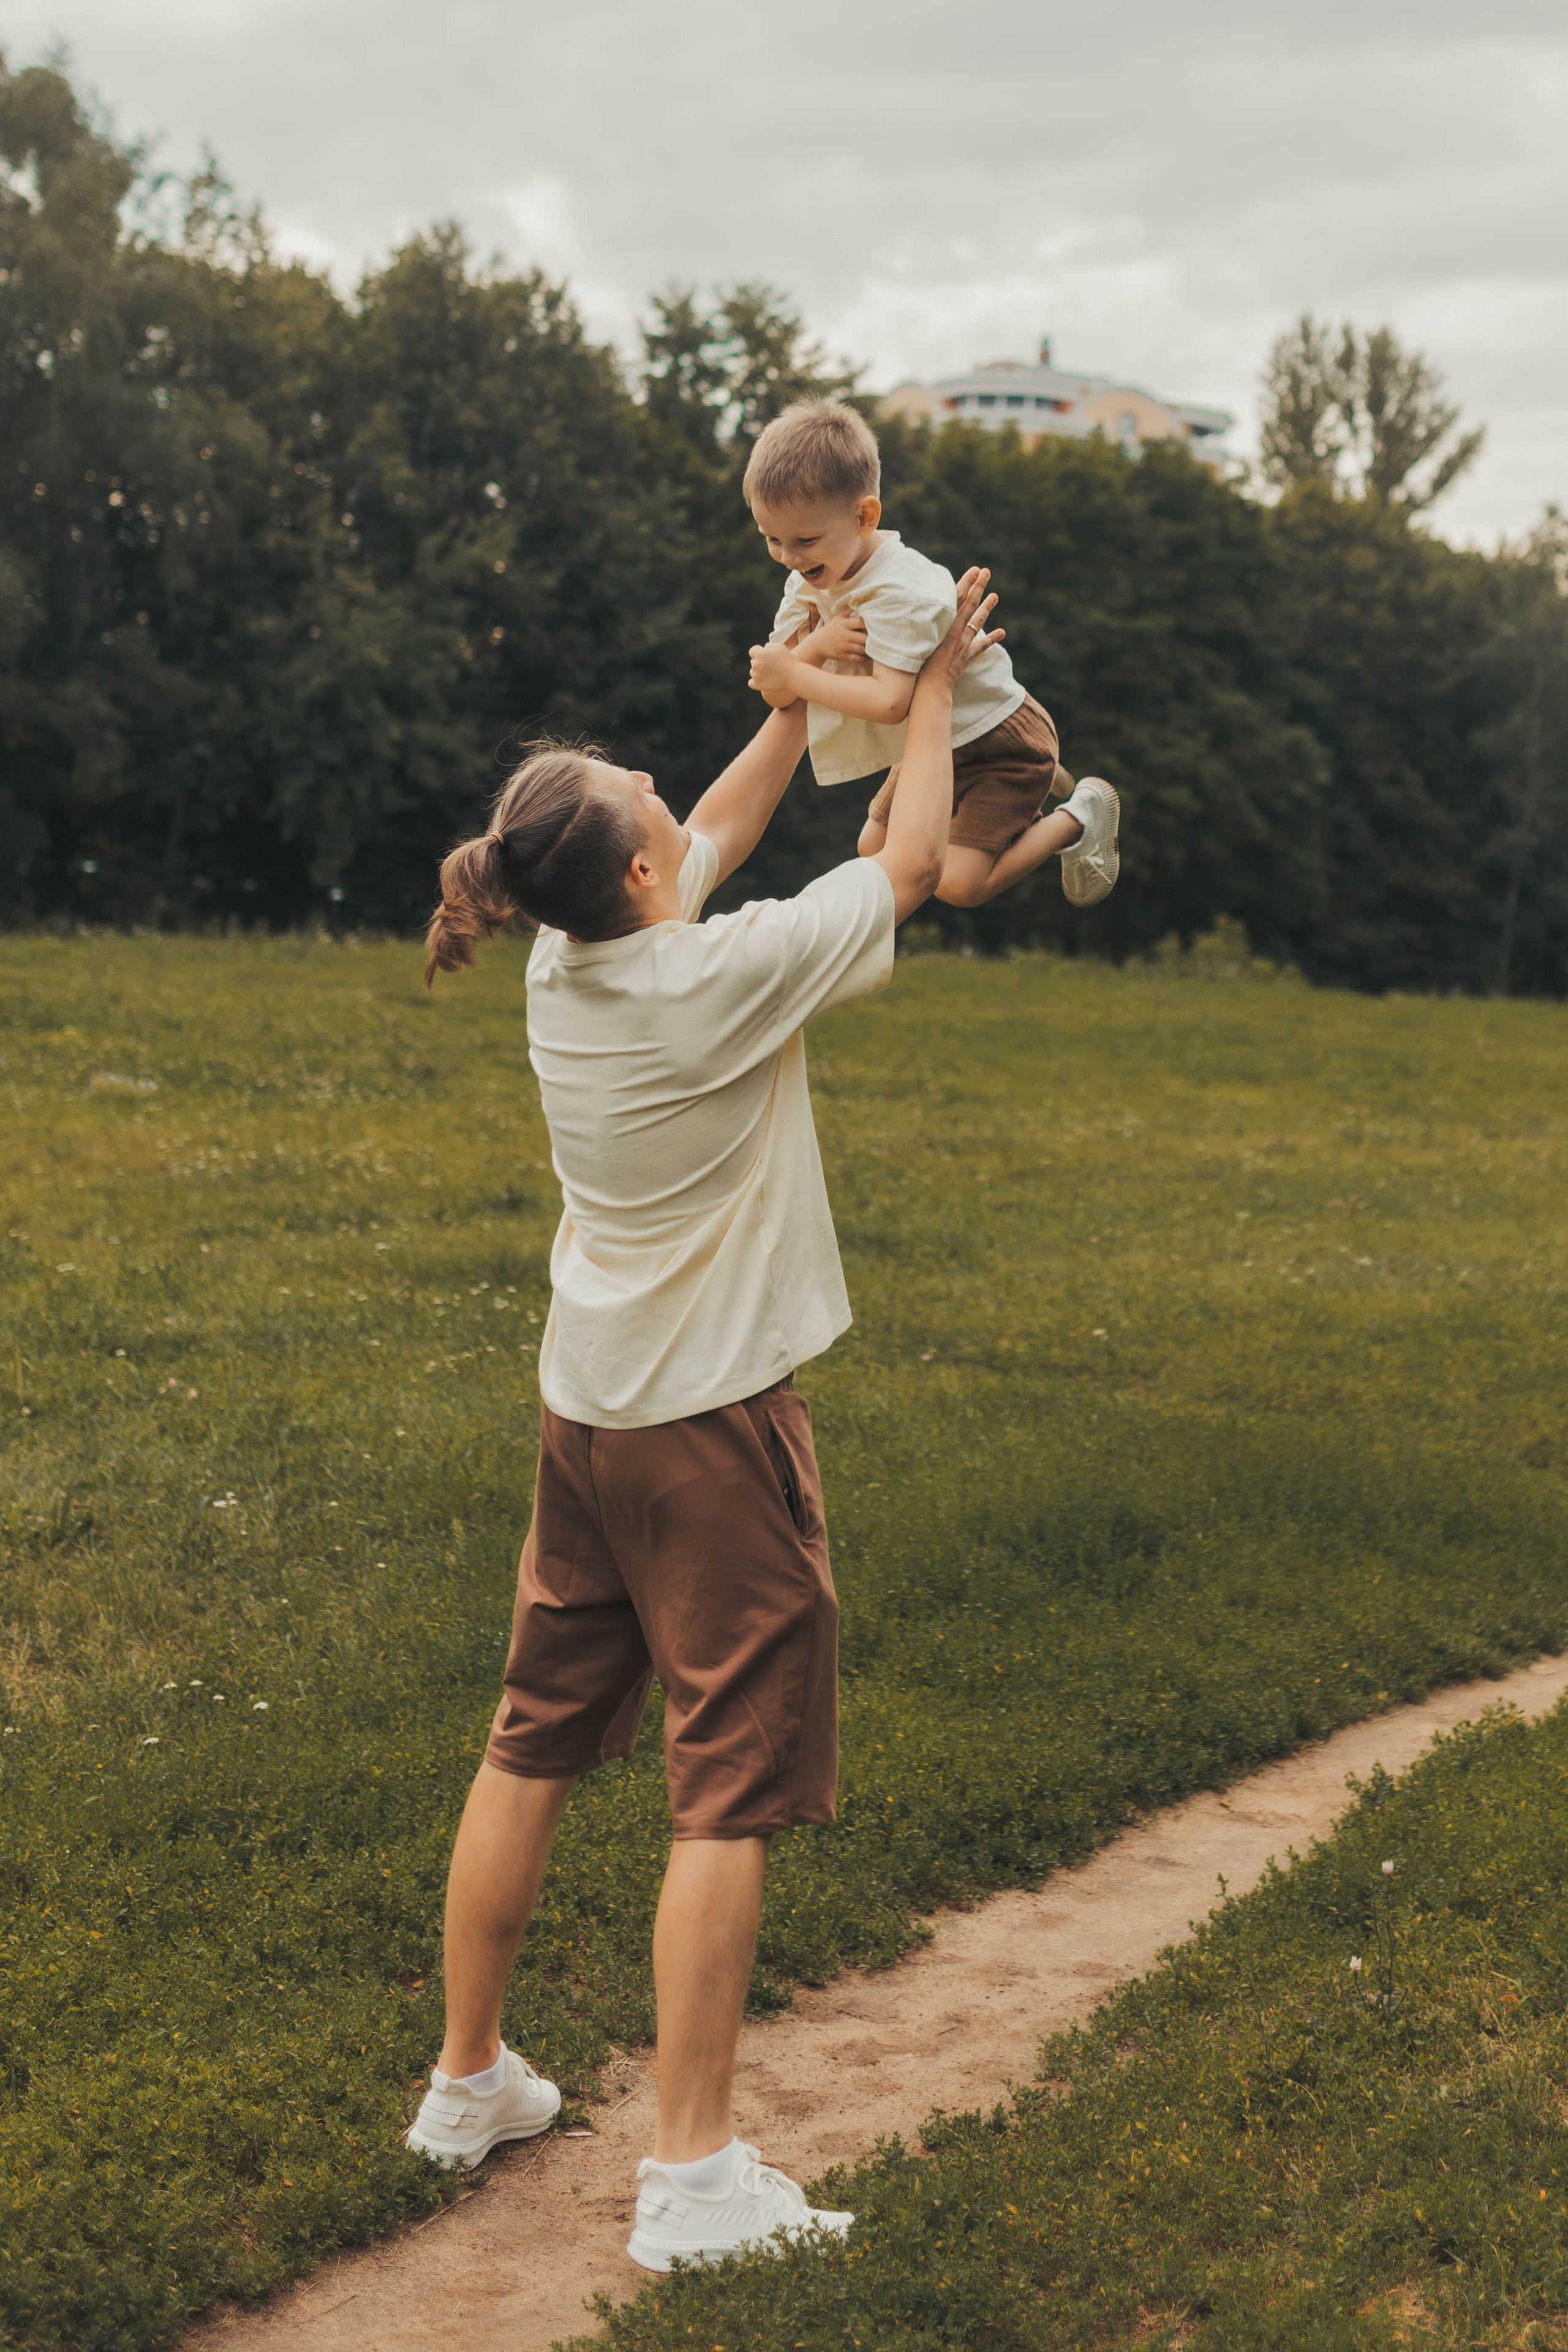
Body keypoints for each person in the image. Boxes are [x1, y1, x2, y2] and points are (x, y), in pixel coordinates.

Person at [403, 568, 1003, 2274]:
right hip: (709, 1432)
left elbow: (719, 831)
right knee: (724, 1790)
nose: (672, 794)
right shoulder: (715, 980)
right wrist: (940, 685)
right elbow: (896, 870)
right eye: (648, 795)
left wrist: (791, 704)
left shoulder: (571, 969)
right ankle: (692, 2180)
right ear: (639, 873)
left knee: (532, 1736)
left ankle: (467, 2086)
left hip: (586, 1415)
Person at [742, 399, 1120, 914]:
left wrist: (793, 670)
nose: (788, 558)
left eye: (804, 540)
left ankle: (1078, 813)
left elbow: (890, 702)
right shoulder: (806, 582)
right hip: (934, 741)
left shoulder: (903, 590)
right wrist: (812, 649)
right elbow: (777, 692)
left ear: (864, 516)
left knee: (959, 885)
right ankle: (1033, 793)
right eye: (772, 540)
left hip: (997, 741)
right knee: (873, 850)